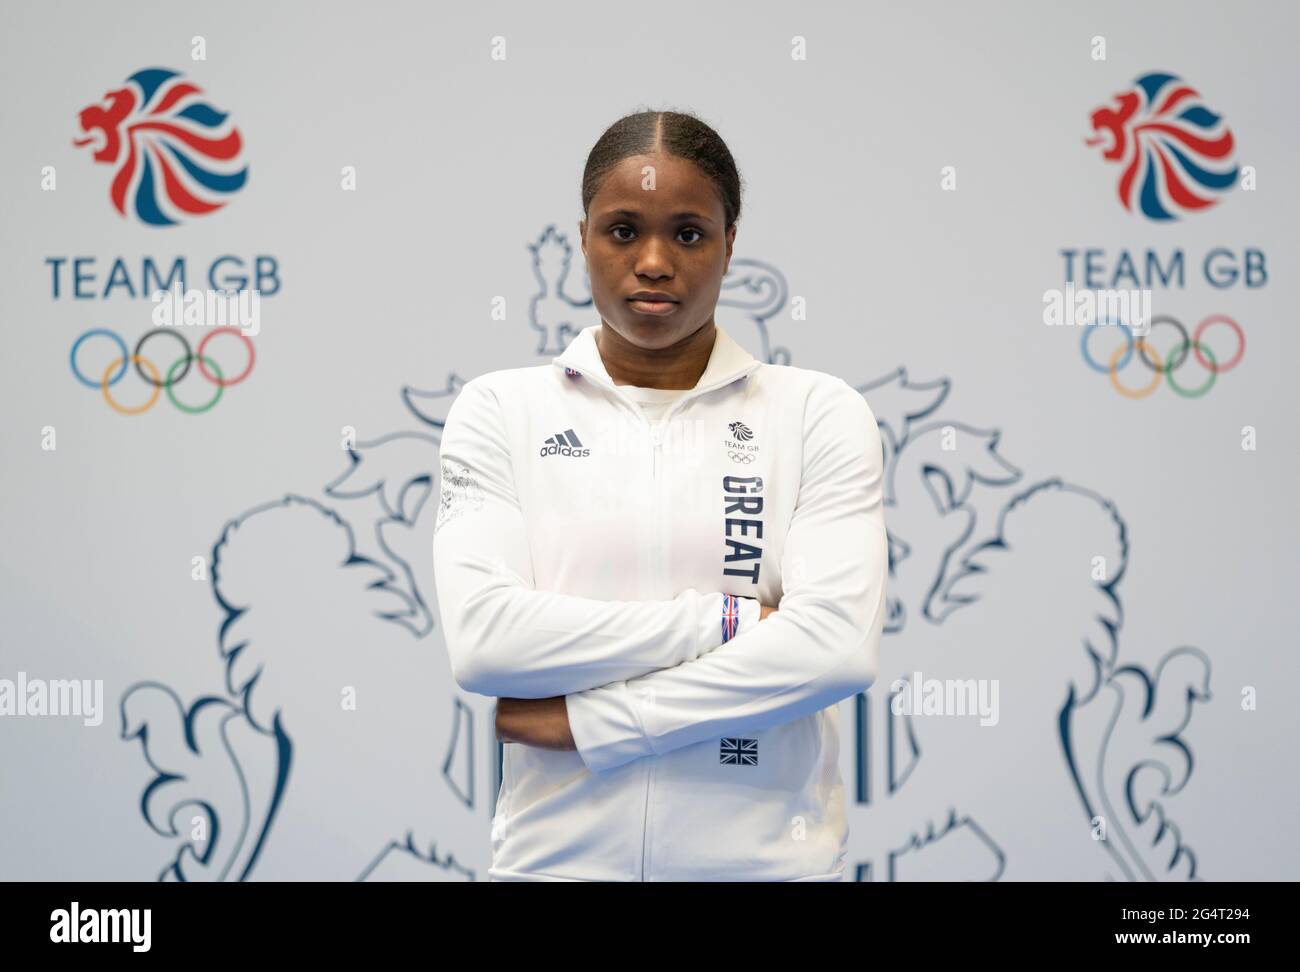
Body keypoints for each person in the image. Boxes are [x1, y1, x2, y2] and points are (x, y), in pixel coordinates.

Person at [432, 108, 889, 881]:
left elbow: (835, 650)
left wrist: (594, 722)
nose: (653, 261)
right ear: (582, 238)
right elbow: (487, 643)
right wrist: (725, 618)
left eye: (687, 233)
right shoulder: (500, 410)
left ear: (729, 243)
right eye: (621, 230)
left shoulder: (816, 413)